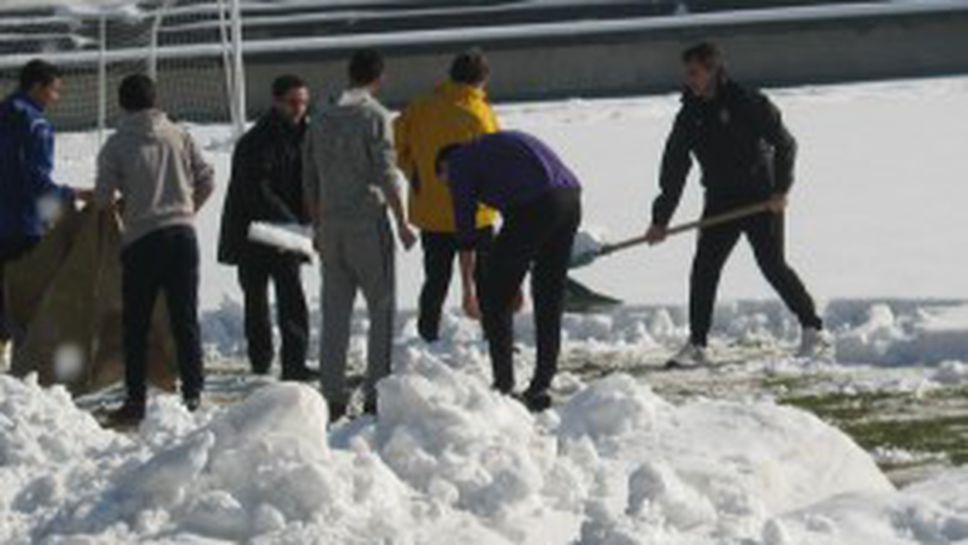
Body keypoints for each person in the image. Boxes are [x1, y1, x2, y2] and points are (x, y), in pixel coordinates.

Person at [643, 42, 828, 367]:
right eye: (687, 74)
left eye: (695, 73)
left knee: (772, 265)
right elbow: (674, 167)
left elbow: (785, 144)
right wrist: (661, 219)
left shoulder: (747, 102)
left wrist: (781, 190)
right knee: (704, 269)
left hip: (761, 199)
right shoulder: (690, 114)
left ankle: (813, 328)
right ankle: (697, 345)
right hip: (720, 201)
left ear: (713, 70)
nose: (689, 80)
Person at [303, 49, 417, 421]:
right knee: (380, 308)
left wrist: (317, 224)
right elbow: (386, 173)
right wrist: (401, 221)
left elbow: (309, 175)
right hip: (366, 222)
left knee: (335, 312)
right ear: (378, 78)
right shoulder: (375, 116)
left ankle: (332, 394)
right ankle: (376, 391)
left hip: (331, 223)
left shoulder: (320, 115)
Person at [94, 74, 215, 426]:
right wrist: (186, 209)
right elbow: (207, 179)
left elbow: (103, 199)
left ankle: (135, 400)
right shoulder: (178, 134)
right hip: (182, 236)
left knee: (137, 323)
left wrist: (118, 203)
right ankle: (193, 391)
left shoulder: (116, 145)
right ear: (155, 100)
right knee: (185, 318)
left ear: (122, 104)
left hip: (142, 240)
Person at [436, 130, 582, 412]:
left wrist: (472, 280)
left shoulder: (460, 163)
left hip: (536, 205)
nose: (449, 186)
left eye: (444, 181)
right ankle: (541, 384)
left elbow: (466, 224)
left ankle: (503, 385)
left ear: (446, 166)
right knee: (548, 293)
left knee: (493, 294)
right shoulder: (490, 151)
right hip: (570, 199)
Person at [394, 48, 500, 342]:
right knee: (486, 280)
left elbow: (394, 143)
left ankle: (427, 337)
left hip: (432, 212)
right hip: (477, 212)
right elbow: (496, 160)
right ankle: (495, 336)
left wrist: (415, 173)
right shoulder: (481, 114)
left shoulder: (421, 106)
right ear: (481, 80)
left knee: (436, 280)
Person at [218, 75, 315, 381]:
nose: (299, 109)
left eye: (303, 102)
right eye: (292, 102)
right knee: (256, 301)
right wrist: (291, 222)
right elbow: (256, 190)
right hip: (255, 233)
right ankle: (261, 361)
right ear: (276, 102)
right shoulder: (256, 141)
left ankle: (294, 363)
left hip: (289, 231)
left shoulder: (306, 136)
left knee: (292, 298)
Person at [0, 59, 91, 360]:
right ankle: (27, 366)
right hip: (23, 226)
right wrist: (72, 194)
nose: (57, 98)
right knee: (30, 297)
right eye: (54, 90)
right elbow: (36, 180)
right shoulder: (35, 125)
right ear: (37, 87)